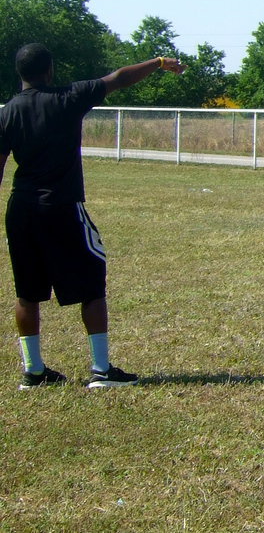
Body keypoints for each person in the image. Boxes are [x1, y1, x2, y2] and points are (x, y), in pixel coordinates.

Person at [0, 43, 185, 389]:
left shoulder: (7, 112)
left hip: (21, 209)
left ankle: (34, 371)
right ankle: (101, 370)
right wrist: (159, 62)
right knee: (91, 285)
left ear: (20, 72)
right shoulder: (68, 97)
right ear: (50, 70)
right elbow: (118, 78)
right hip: (62, 206)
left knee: (27, 294)